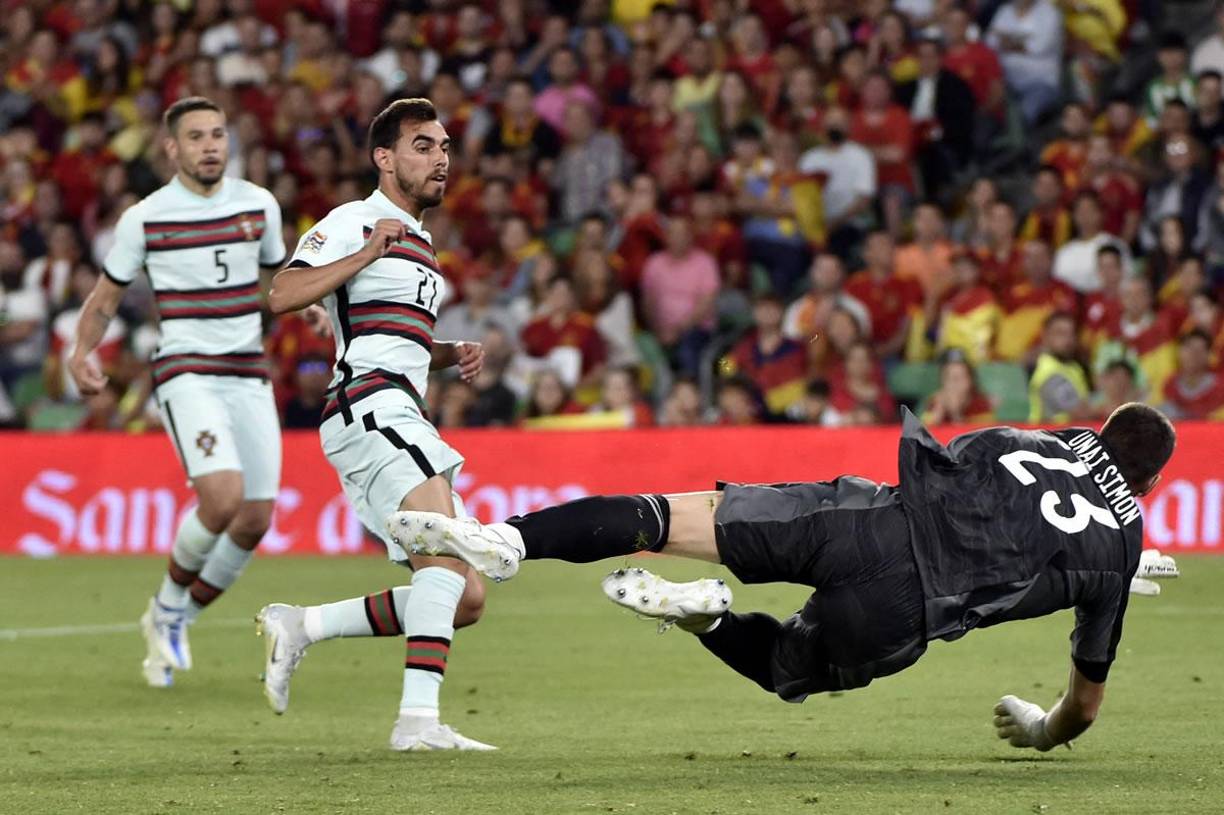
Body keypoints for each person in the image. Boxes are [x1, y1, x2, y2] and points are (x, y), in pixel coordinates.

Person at [392, 403, 1179, 754]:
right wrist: (1039, 730)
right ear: (1149, 487)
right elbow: (1083, 704)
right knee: (782, 668)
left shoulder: (1024, 436)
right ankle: (706, 620)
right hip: (902, 609)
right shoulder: (1115, 549)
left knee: (667, 516)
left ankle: (507, 537)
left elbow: (971, 472)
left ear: (1098, 427)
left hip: (856, 515)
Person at [255, 98, 494, 752]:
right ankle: (417, 722)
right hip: (369, 404)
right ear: (383, 158)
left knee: (464, 595)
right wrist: (362, 253)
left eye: (444, 146)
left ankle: (303, 624)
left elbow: (390, 336)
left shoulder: (418, 240)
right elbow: (280, 294)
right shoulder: (356, 220)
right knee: (446, 549)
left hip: (399, 404)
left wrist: (448, 353)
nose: (440, 157)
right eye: (423, 145)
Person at [69, 97, 286, 688]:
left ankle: (176, 619)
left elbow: (276, 283)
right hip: (187, 368)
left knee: (255, 518)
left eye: (218, 134)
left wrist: (312, 307)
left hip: (248, 370)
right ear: (173, 148)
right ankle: (167, 605)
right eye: (197, 137)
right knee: (222, 498)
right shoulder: (145, 217)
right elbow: (106, 298)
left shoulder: (259, 204)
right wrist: (80, 350)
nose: (211, 145)